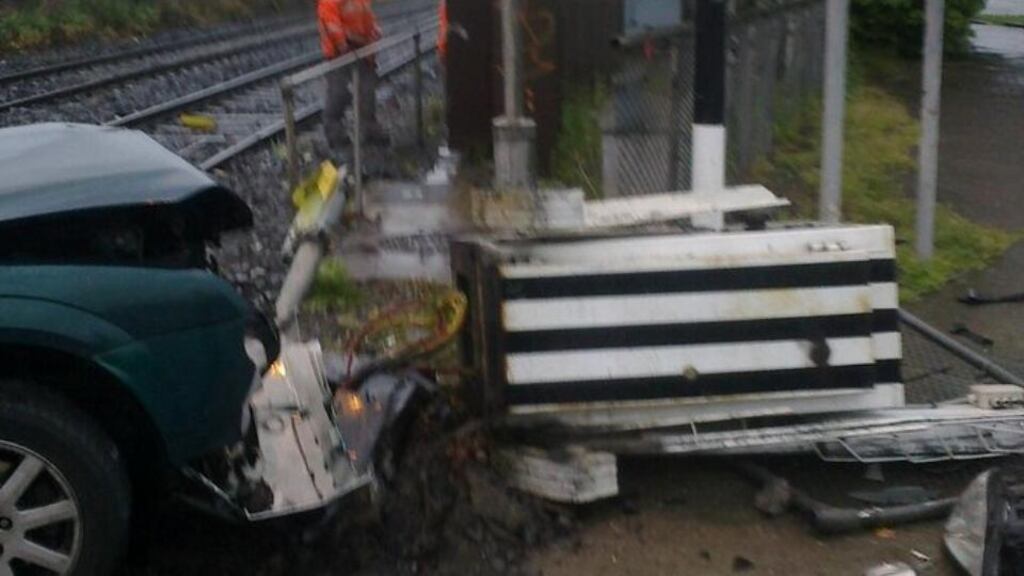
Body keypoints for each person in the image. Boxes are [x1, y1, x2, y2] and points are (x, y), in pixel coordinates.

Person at [317, 0, 383, 149]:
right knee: (339, 93)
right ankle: (335, 135)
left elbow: (367, 17)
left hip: (362, 49)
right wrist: (342, 45)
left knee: (367, 90)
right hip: (340, 52)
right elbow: (330, 21)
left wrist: (374, 30)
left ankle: (369, 128)